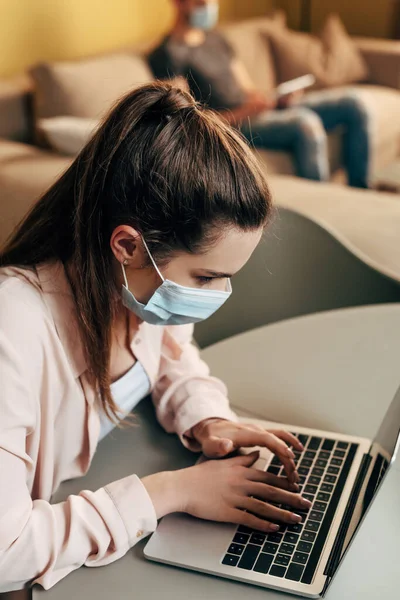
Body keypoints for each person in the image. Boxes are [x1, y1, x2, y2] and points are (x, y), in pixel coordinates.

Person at [0, 82, 311, 591]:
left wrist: (208, 419)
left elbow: (175, 358)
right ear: (126, 245)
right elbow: (5, 549)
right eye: (207, 278)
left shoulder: (134, 291)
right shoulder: (14, 325)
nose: (217, 294)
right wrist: (170, 493)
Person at [149, 0, 371, 188]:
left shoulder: (216, 39)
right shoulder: (168, 54)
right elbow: (186, 121)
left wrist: (275, 98)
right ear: (178, 3)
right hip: (233, 123)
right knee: (306, 123)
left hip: (257, 110)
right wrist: (247, 110)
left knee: (353, 104)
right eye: (201, 2)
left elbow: (248, 88)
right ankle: (324, 203)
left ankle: (360, 189)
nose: (209, 6)